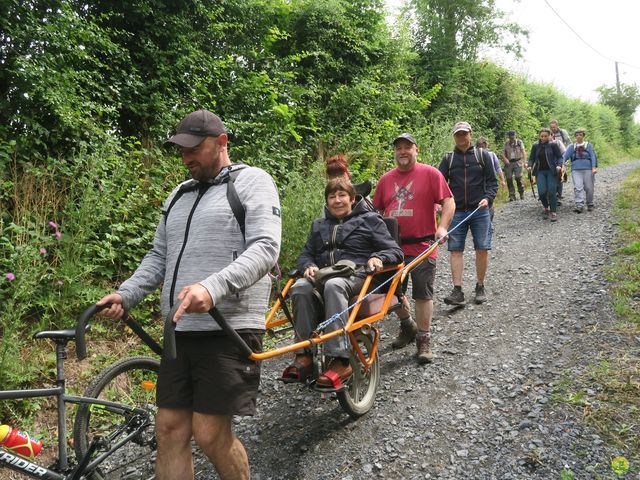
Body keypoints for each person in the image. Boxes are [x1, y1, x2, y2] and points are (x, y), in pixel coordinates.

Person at [96, 109, 282, 480]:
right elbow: (159, 256)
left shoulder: (253, 182)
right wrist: (126, 294)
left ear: (222, 142)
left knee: (210, 433)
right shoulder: (179, 194)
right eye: (181, 150)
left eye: (195, 149)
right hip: (179, 332)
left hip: (228, 328)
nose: (186, 158)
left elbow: (265, 249)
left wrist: (212, 288)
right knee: (169, 429)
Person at [282, 178, 403, 387]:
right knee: (300, 287)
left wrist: (378, 258)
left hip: (358, 277)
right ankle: (304, 355)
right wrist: (308, 265)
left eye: (342, 196)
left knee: (334, 284)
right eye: (332, 197)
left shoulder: (370, 220)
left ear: (352, 199)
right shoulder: (318, 226)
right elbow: (305, 255)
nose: (337, 201)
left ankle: (341, 359)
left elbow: (395, 251)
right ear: (327, 202)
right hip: (324, 276)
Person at [374, 133, 454, 364]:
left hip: (423, 244)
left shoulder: (430, 173)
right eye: (398, 147)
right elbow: (376, 212)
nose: (402, 151)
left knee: (422, 293)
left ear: (416, 150)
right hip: (391, 248)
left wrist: (442, 228)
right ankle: (408, 325)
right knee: (388, 292)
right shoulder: (385, 180)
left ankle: (423, 339)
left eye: (407, 147)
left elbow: (448, 201)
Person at [438, 121, 498, 305]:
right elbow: (439, 185)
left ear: (470, 134)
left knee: (482, 248)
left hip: (480, 210)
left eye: (464, 134)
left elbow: (492, 183)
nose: (461, 137)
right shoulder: (449, 159)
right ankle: (457, 291)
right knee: (455, 250)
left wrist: (487, 199)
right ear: (454, 136)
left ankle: (480, 286)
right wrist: (440, 204)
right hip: (456, 212)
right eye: (458, 134)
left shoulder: (483, 156)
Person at [527, 127, 564, 222]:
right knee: (542, 192)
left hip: (552, 171)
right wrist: (530, 165)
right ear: (539, 136)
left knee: (552, 191)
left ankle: (553, 212)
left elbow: (560, 157)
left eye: (545, 136)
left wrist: (559, 165)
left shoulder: (553, 145)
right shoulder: (535, 146)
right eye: (542, 136)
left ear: (549, 136)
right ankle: (546, 207)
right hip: (540, 171)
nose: (543, 138)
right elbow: (531, 158)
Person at [563, 128, 598, 213]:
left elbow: (593, 156)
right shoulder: (572, 146)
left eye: (580, 135)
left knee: (589, 187)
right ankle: (579, 205)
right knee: (578, 187)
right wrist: (562, 164)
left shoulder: (588, 145)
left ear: (583, 136)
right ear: (575, 136)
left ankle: (590, 203)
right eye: (577, 135)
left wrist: (593, 167)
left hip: (588, 168)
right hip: (576, 169)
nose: (578, 136)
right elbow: (565, 156)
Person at [476, 136, 506, 220]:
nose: (481, 148)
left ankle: (489, 219)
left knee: (489, 201)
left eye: (483, 146)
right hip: (480, 183)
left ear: (486, 145)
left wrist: (502, 180)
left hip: (490, 181)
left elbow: (498, 168)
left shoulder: (492, 155)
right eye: (479, 146)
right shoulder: (475, 155)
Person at [502, 130, 526, 201]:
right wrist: (505, 159)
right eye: (510, 137)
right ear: (509, 137)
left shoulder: (519, 142)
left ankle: (521, 192)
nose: (512, 139)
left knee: (518, 177)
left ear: (515, 136)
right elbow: (503, 153)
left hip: (518, 161)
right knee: (509, 178)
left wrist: (524, 161)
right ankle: (512, 195)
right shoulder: (506, 143)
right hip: (509, 162)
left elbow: (523, 152)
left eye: (513, 137)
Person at [550, 120, 570, 202]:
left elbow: (568, 143)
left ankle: (559, 194)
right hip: (552, 157)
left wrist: (566, 156)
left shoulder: (563, 132)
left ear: (557, 126)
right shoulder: (549, 133)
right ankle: (552, 193)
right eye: (551, 127)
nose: (553, 129)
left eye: (554, 127)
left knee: (560, 175)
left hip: (562, 156)